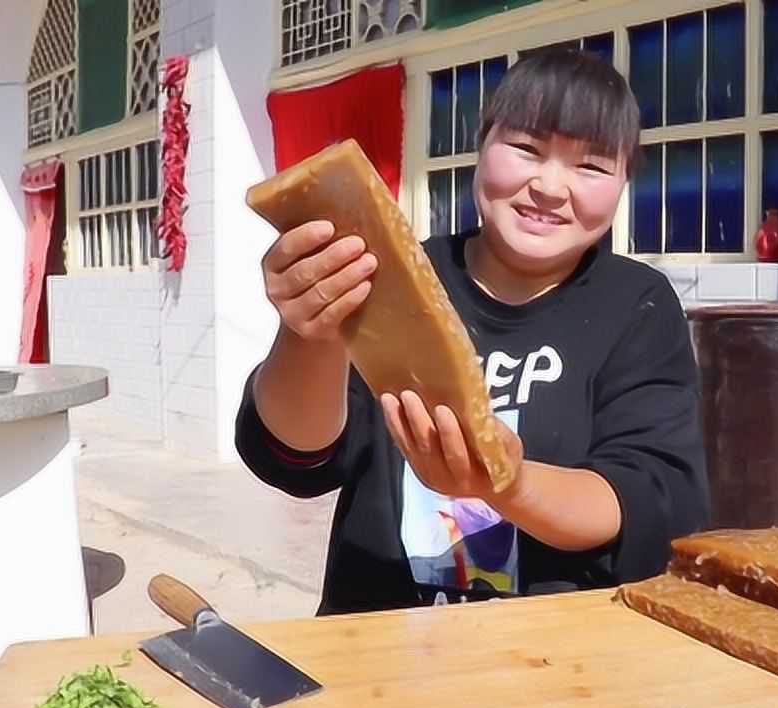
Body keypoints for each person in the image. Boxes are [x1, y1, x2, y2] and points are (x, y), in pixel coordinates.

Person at [235, 48, 710, 616]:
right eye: (527, 149)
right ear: (481, 145)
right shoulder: (392, 274)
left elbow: (646, 500)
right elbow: (297, 458)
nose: (551, 187)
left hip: (560, 664)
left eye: (590, 166)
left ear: (625, 179)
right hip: (374, 645)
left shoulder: (637, 303)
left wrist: (505, 485)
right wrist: (311, 330)